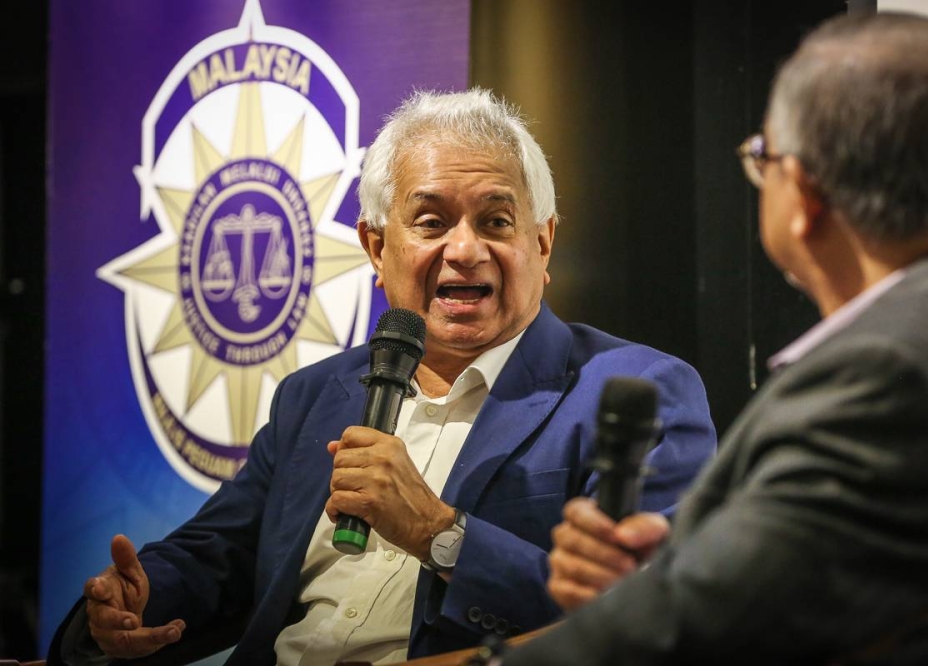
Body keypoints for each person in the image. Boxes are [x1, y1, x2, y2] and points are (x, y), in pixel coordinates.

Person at [48, 87, 717, 666]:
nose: (464, 248)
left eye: (495, 220)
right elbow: (216, 557)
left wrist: (439, 532)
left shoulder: (632, 393)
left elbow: (647, 617)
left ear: (541, 243)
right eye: (431, 221)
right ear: (376, 246)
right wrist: (130, 605)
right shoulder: (315, 396)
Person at [500, 11, 928, 666]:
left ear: (806, 191)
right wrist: (667, 578)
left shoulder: (886, 374)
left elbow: (710, 632)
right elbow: (833, 594)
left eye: (761, 157)